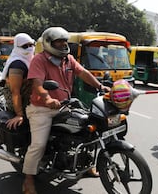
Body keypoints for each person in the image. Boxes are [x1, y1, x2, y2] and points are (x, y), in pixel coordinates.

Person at [22, 27, 110, 194]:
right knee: (38, 145)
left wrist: (100, 86)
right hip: (42, 108)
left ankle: (88, 165)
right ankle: (28, 180)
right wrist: (47, 99)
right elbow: (38, 84)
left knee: (89, 130)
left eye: (64, 41)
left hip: (65, 105)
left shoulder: (68, 59)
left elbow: (83, 72)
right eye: (59, 42)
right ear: (49, 43)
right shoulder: (39, 60)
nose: (63, 44)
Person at [0, 33, 35, 129]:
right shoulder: (17, 65)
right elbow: (15, 92)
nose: (29, 48)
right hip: (19, 104)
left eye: (31, 45)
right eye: (25, 46)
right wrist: (19, 114)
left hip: (30, 100)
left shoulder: (29, 59)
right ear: (17, 47)